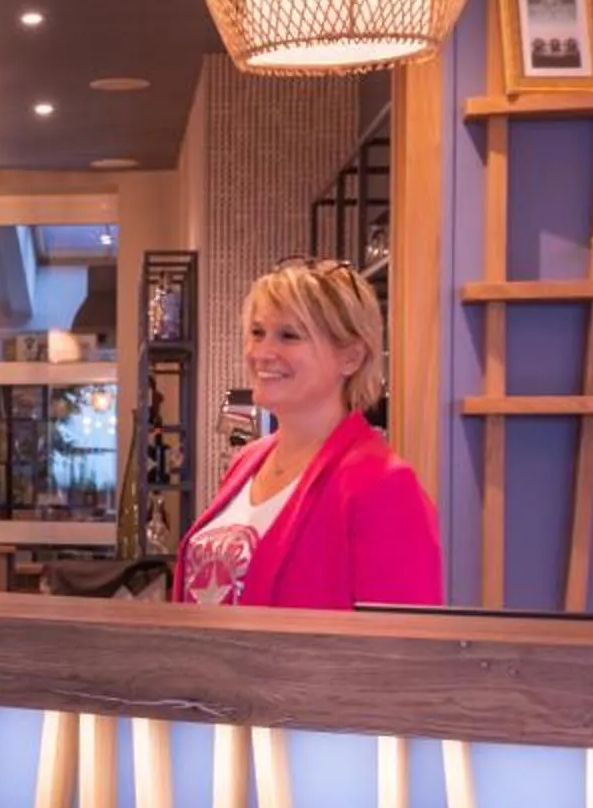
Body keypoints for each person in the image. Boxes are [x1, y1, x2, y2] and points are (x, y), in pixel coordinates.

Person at [176, 260, 442, 610]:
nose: (262, 353)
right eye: (257, 332)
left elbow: (399, 651)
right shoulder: (247, 461)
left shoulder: (382, 484)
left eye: (289, 335)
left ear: (350, 356)